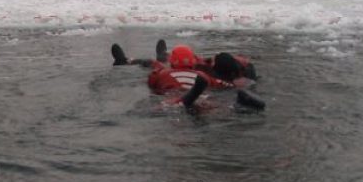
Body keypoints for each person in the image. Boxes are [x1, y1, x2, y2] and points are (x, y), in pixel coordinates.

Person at [111, 39, 264, 110]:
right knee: (210, 106)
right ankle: (238, 107)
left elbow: (151, 81)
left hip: (173, 94)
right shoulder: (204, 73)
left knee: (166, 105)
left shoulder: (161, 72)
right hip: (202, 92)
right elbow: (227, 85)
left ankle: (125, 60)